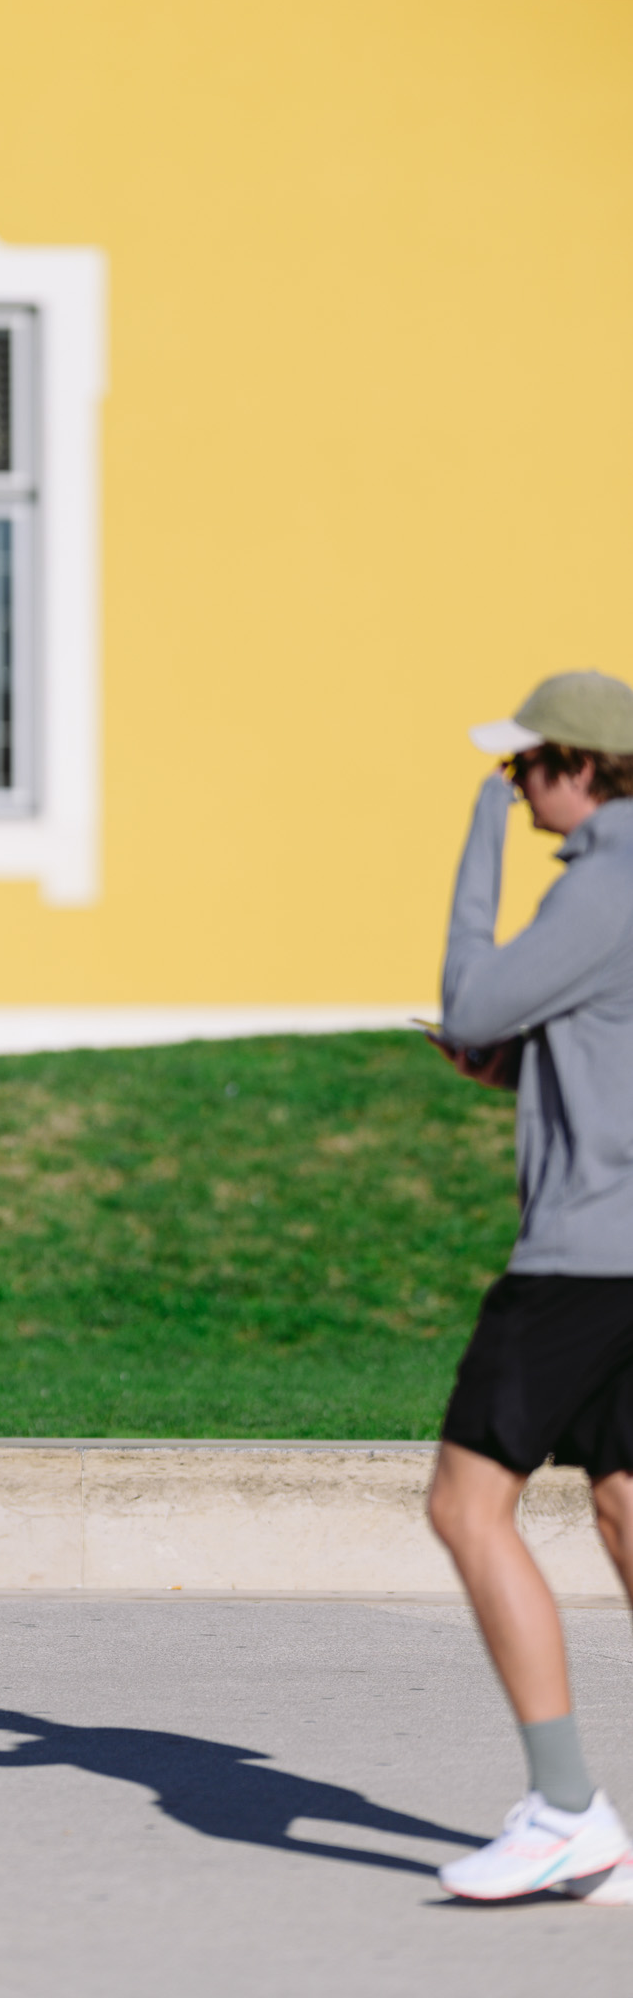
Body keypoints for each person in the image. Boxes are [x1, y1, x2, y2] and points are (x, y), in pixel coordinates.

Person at [427, 672, 633, 1903]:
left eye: (522, 769)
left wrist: (479, 836)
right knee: (619, 1501)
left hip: (581, 1259)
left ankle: (567, 1810)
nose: (516, 785)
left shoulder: (600, 883)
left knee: (466, 1505)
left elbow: (470, 997)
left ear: (576, 764)